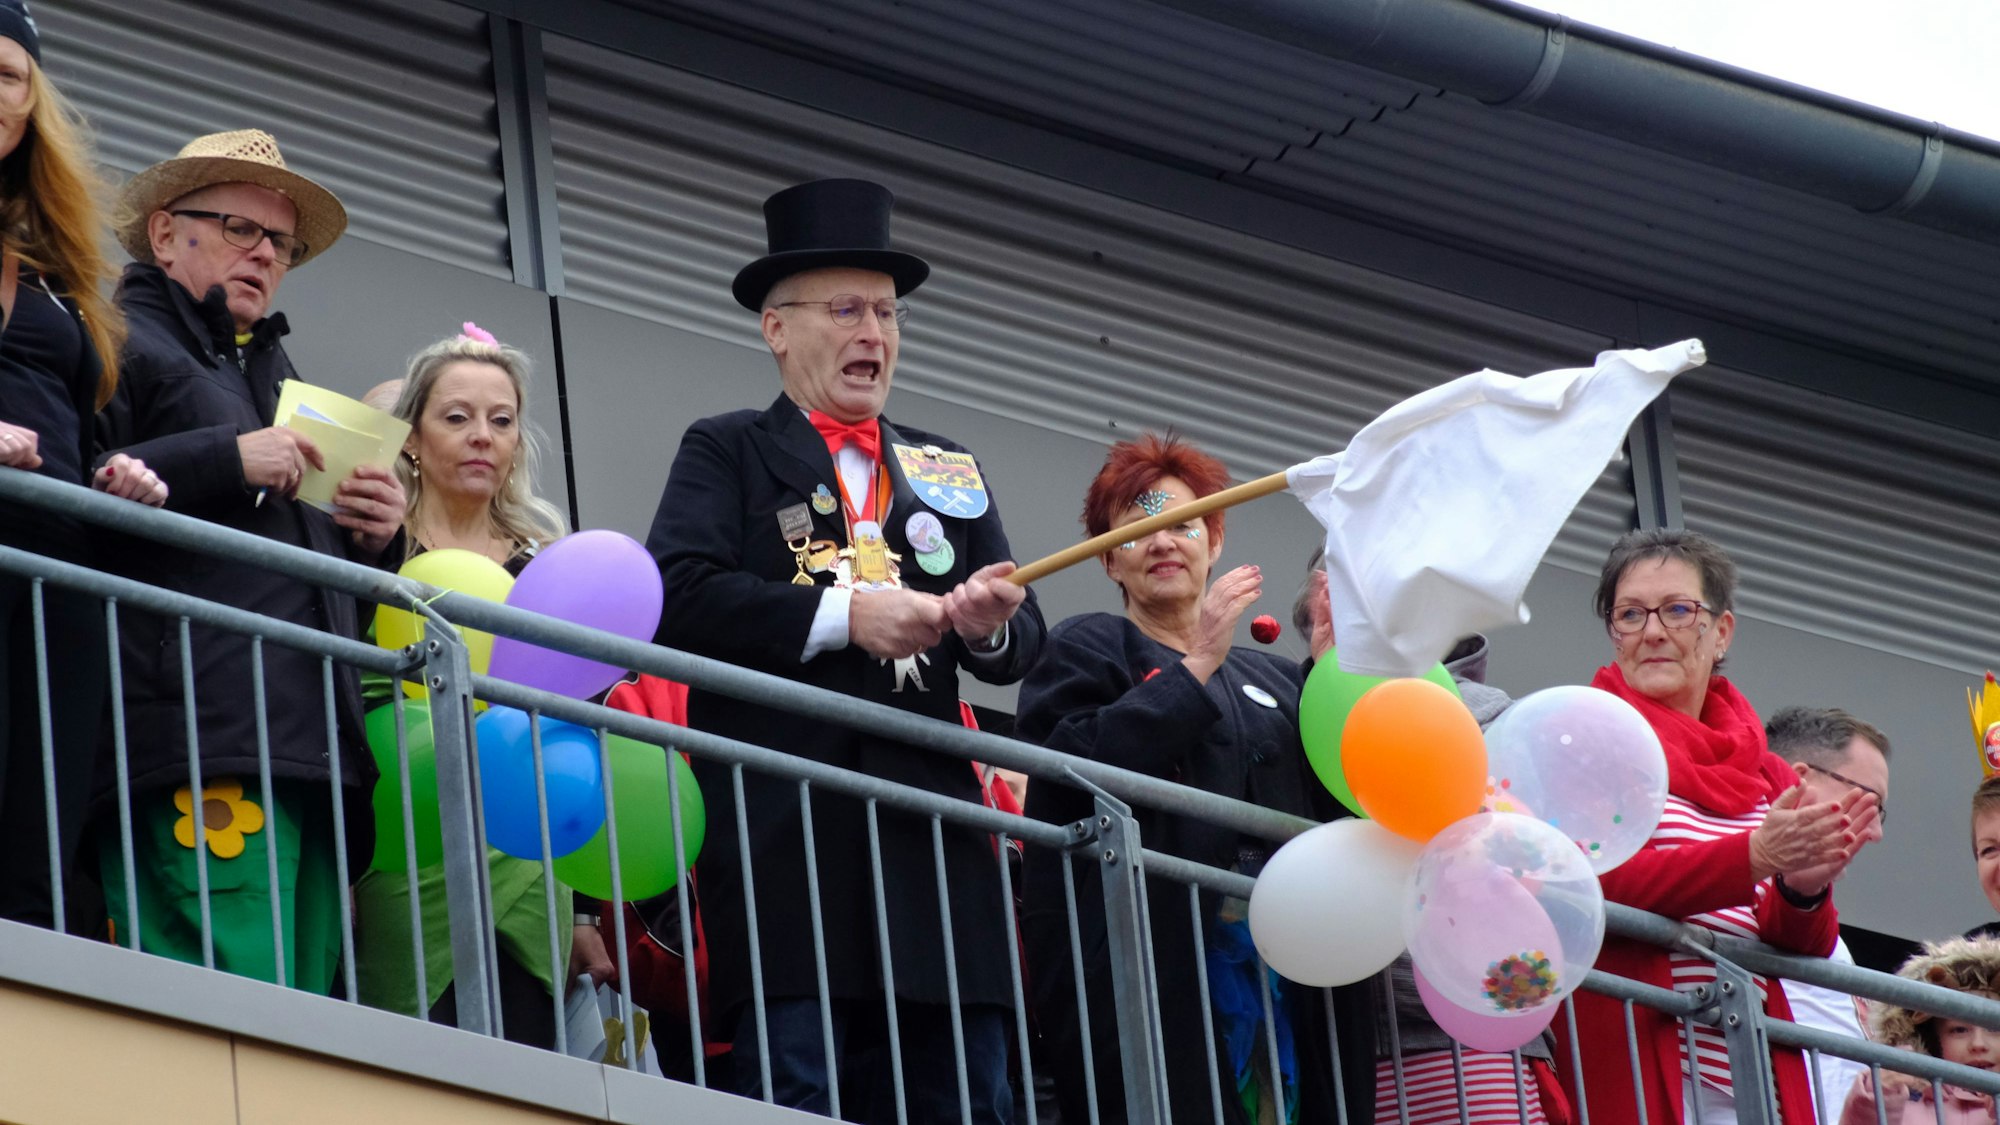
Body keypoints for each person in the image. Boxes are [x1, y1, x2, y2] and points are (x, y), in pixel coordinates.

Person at [648, 178, 1044, 1122]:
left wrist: (988, 623)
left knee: (964, 1087)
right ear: (777, 330)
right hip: (792, 830)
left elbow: (1022, 630)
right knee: (802, 1085)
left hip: (932, 833)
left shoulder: (944, 467)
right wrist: (843, 619)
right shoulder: (729, 448)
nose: (874, 332)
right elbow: (678, 593)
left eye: (887, 312)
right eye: (846, 309)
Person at [94, 129, 406, 991]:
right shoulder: (116, 342)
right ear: (165, 234)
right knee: (217, 1000)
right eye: (241, 228)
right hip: (197, 732)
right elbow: (79, 487)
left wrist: (378, 536)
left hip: (306, 743)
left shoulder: (277, 375)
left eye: (281, 243)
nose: (266, 253)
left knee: (298, 1019)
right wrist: (229, 460)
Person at [1015, 434, 1373, 1125]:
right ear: (1110, 558)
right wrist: (1198, 662)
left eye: (1183, 523)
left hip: (1292, 956)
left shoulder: (1274, 676)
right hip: (1166, 957)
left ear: (1214, 542)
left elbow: (1339, 804)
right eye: (1139, 527)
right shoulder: (1085, 646)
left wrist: (1335, 685)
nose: (1163, 541)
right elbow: (1075, 767)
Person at [1559, 528, 1880, 1125]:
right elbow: (1595, 879)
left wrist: (1802, 888)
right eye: (1630, 614)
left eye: (1678, 610)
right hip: (1642, 1063)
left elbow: (1800, 944)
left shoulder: (1769, 770)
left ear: (1721, 631)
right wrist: (1753, 857)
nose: (1653, 631)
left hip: (1755, 1073)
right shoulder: (1585, 739)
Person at [349, 326, 610, 1045]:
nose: (481, 437)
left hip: (530, 855)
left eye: (501, 421)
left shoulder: (546, 569)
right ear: (411, 438)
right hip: (402, 839)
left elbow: (582, 735)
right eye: (456, 417)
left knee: (521, 1067)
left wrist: (586, 911)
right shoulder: (373, 550)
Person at [1294, 557, 1569, 1123]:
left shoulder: (1491, 715)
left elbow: (1520, 857)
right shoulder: (1292, 707)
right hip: (1340, 1036)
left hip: (1466, 1038)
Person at [0, 0, 166, 929]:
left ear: (32, 106)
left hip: (61, 559)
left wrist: (117, 472)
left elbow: (72, 413)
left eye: (9, 75)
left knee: (43, 820)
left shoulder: (57, 272)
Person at [1765, 706, 1894, 1121]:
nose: (1875, 833)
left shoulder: (1820, 926)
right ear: (1797, 781)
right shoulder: (1726, 895)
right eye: (1869, 804)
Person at [1839, 938, 2000, 1125]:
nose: (1978, 1044)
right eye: (1959, 1030)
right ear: (1932, 1039)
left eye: (1994, 1028)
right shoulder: (1901, 1102)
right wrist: (1878, 1095)